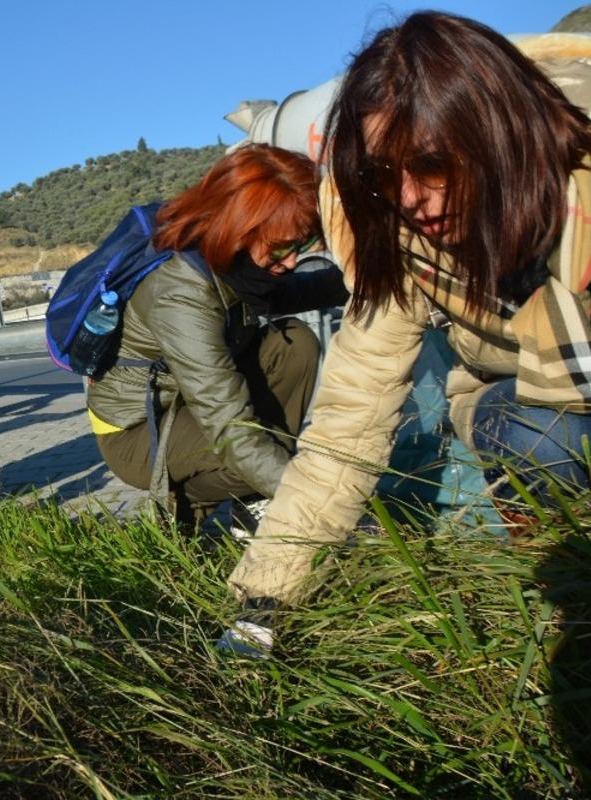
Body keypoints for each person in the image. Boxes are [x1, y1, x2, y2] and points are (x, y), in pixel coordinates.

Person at [222, 12, 591, 657]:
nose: (413, 199)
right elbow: (348, 423)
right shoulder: (403, 244)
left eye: (432, 163)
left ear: (496, 128)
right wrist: (264, 601)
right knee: (548, 433)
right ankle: (560, 570)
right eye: (382, 178)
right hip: (532, 410)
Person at [86, 144, 347, 527]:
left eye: (300, 245)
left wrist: (366, 276)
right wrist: (317, 502)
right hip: (139, 429)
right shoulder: (180, 290)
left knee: (294, 342)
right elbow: (230, 429)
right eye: (280, 248)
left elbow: (292, 294)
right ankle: (187, 509)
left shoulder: (232, 260)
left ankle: (255, 491)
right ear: (242, 226)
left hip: (190, 403)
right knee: (249, 445)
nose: (291, 261)